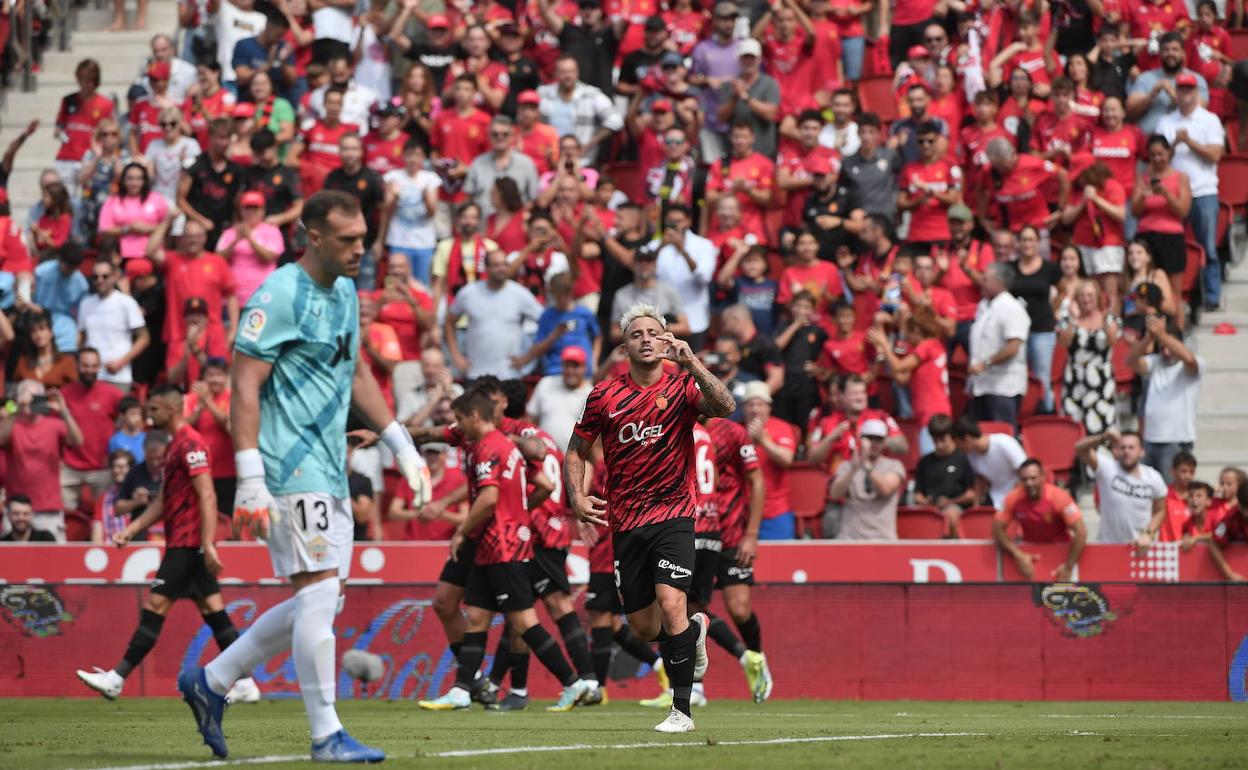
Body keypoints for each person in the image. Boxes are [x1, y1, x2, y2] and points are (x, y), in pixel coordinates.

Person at [177, 191, 431, 762]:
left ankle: (213, 680)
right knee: (317, 592)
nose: (360, 249)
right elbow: (244, 386)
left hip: (331, 466)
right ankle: (326, 735)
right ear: (313, 237)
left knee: (325, 598)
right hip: (287, 466)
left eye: (363, 238)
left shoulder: (344, 292)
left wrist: (401, 443)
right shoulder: (278, 296)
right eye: (348, 240)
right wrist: (249, 477)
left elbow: (357, 371)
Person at [565, 303, 735, 732]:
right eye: (636, 333)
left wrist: (692, 362)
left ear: (665, 341)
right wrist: (577, 496)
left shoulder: (682, 387)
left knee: (672, 602)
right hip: (626, 522)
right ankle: (693, 633)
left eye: (653, 332)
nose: (645, 339)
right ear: (624, 346)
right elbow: (576, 450)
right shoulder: (603, 395)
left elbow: (726, 405)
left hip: (675, 513)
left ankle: (682, 711)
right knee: (643, 627)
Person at [74, 385, 259, 704]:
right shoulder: (175, 446)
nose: (149, 415)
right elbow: (165, 499)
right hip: (185, 543)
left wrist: (208, 543)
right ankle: (244, 682)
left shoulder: (191, 444)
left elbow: (207, 494)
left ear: (172, 410)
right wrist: (133, 528)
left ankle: (116, 678)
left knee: (156, 606)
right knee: (214, 612)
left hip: (189, 544)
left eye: (154, 409)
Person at [417, 390, 594, 713]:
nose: (458, 426)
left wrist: (462, 530)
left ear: (475, 416)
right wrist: (520, 514)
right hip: (495, 544)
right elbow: (544, 484)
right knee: (477, 618)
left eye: (460, 419)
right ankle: (461, 690)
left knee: (524, 621)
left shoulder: (487, 448)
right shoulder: (508, 446)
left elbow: (488, 498)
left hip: (503, 546)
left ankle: (573, 682)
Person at [1156, 72, 1225, 311]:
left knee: (1208, 247)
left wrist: (1189, 142)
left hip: (1204, 191)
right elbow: (1158, 158)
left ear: (1196, 93)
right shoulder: (1166, 121)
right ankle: (1175, 296)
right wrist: (1176, 144)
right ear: (1176, 92)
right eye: (1181, 89)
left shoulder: (1210, 120)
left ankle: (1212, 297)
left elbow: (1215, 155)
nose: (1185, 94)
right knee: (1172, 247)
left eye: (1189, 89)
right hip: (1174, 193)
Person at [0, 380, 84, 541]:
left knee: (53, 554)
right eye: (26, 396)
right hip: (16, 508)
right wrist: (17, 408)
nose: (30, 402)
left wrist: (64, 411)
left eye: (34, 397)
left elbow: (78, 441)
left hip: (48, 505)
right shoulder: (12, 424)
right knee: (11, 555)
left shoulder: (55, 425)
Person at [445, 249, 546, 380]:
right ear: (486, 268)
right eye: (497, 265)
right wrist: (456, 357)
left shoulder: (520, 293)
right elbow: (449, 322)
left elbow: (546, 321)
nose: (502, 269)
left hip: (509, 375)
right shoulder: (469, 293)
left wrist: (528, 357)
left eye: (504, 264)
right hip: (476, 374)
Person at [1127, 313, 1203, 483]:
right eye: (1162, 347)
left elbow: (1190, 360)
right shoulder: (1155, 362)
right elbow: (1131, 361)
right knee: (1148, 491)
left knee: (1171, 491)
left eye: (1169, 346)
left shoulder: (1192, 364)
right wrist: (1148, 338)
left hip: (1175, 440)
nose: (1166, 352)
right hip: (1150, 439)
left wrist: (1162, 335)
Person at [1130, 134, 1191, 330]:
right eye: (1153, 155)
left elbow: (1183, 211)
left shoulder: (1180, 177)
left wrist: (1166, 194)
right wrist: (1143, 196)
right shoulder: (1142, 178)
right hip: (1146, 236)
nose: (1157, 159)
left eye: (1161, 154)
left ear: (1168, 154)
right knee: (1143, 285)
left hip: (1171, 237)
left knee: (1175, 289)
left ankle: (1178, 332)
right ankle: (1144, 329)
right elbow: (1134, 212)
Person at [994, 459, 1087, 581]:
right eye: (1025, 479)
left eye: (1033, 478)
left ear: (1043, 477)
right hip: (1030, 555)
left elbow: (1081, 531)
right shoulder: (1013, 497)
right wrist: (1017, 554)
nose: (1029, 483)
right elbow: (997, 529)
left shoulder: (1059, 497)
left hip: (1060, 552)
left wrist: (1069, 566)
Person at [1074, 429, 1167, 546]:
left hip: (1139, 547)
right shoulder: (1107, 467)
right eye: (1123, 447)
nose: (1126, 451)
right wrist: (1103, 437)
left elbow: (1160, 511)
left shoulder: (1153, 477)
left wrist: (1148, 533)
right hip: (1109, 546)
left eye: (1131, 447)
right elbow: (1079, 448)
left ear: (1142, 452)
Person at [59, 348, 124, 515]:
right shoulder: (65, 393)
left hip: (101, 466)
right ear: (77, 366)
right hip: (70, 466)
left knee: (105, 515)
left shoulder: (112, 393)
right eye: (85, 366)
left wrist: (115, 451)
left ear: (99, 367)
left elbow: (131, 416)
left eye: (94, 366)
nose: (90, 370)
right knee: (61, 516)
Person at [644, 204, 716, 351]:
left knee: (692, 363)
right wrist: (661, 247)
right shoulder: (654, 246)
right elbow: (643, 273)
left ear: (688, 221)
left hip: (695, 319)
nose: (675, 225)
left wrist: (683, 250)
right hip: (663, 319)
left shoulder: (704, 245)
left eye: (679, 221)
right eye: (671, 221)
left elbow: (703, 278)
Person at [968, 263, 1031, 429]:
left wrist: (985, 364)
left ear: (999, 282)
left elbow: (1013, 346)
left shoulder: (1012, 307)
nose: (981, 282)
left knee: (1003, 432)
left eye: (986, 279)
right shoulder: (984, 305)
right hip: (982, 384)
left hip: (1003, 386)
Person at [1010, 225, 1062, 413]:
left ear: (1038, 243)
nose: (1027, 244)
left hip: (1042, 329)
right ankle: (1022, 414)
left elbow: (1063, 289)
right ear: (1018, 243)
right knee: (1017, 375)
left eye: (1031, 239)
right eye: (1024, 239)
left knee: (1042, 377)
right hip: (1017, 331)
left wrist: (1053, 309)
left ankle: (1046, 414)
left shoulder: (1049, 268)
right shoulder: (1010, 268)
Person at [828, 418, 906, 541]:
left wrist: (866, 465)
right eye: (870, 438)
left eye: (878, 439)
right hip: (850, 538)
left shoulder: (894, 465)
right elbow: (835, 494)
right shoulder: (847, 466)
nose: (874, 443)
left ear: (884, 442)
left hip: (883, 538)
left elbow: (886, 489)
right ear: (861, 440)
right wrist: (854, 469)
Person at [536, 56, 623, 164]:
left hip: (582, 161)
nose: (568, 76)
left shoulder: (591, 95)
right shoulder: (543, 94)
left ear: (577, 73)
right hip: (550, 159)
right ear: (555, 74)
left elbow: (616, 121)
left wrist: (588, 145)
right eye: (563, 72)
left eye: (571, 71)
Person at [1059, 280, 1119, 436]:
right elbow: (1063, 343)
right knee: (1073, 429)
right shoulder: (1069, 319)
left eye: (1090, 295)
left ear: (1097, 297)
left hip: (1101, 381)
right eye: (1082, 296)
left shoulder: (1108, 318)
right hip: (1075, 380)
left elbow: (1113, 341)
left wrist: (1105, 323)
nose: (1086, 299)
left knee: (1101, 428)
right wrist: (1073, 320)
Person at [83, 254, 150, 392]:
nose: (100, 280)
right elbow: (82, 337)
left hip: (118, 377)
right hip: (91, 376)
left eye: (105, 276)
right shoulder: (85, 303)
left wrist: (121, 362)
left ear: (114, 277)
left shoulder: (127, 303)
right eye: (95, 277)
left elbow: (144, 338)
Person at [740, 381, 798, 540]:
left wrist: (763, 441)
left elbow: (786, 460)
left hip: (775, 513)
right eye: (750, 404)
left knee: (780, 555)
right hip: (741, 512)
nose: (755, 409)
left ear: (769, 407)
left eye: (760, 404)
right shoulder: (734, 430)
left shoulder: (782, 428)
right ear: (743, 408)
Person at [382, 138, 441, 286]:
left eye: (417, 155)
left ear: (423, 158)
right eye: (409, 154)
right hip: (399, 240)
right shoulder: (392, 177)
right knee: (396, 283)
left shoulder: (431, 178)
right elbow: (387, 210)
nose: (413, 159)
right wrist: (395, 197)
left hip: (424, 242)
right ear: (403, 156)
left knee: (422, 284)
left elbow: (432, 213)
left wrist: (426, 198)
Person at [178, 118, 244, 250]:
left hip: (224, 229)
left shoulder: (235, 169)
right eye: (221, 138)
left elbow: (236, 203)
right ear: (211, 137)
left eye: (227, 138)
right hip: (198, 230)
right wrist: (200, 220)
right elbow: (180, 199)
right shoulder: (195, 164)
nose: (224, 143)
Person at [465, 116, 539, 221]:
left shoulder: (526, 164)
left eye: (505, 134)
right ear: (488, 137)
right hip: (483, 225)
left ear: (512, 136)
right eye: (495, 134)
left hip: (514, 226)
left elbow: (533, 200)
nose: (500, 137)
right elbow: (468, 199)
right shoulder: (477, 163)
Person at [913, 414, 976, 538]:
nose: (939, 445)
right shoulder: (924, 462)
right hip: (930, 509)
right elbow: (917, 495)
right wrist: (925, 502)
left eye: (942, 439)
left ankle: (954, 545)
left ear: (951, 436)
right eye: (935, 440)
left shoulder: (963, 459)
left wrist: (950, 501)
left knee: (950, 513)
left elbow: (971, 495)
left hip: (955, 506)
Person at [217, 192, 283, 307]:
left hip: (263, 296)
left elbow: (268, 257)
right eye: (247, 208)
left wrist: (249, 238)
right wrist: (235, 241)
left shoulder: (272, 231)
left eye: (255, 208)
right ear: (241, 210)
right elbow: (218, 260)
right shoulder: (230, 232)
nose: (251, 212)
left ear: (262, 211)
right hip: (234, 298)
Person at [99, 163, 170, 265]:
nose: (134, 183)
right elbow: (105, 229)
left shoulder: (156, 199)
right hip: (121, 255)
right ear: (123, 180)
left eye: (139, 179)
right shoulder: (112, 200)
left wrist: (148, 229)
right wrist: (127, 229)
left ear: (144, 181)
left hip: (152, 254)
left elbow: (167, 226)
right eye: (130, 178)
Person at [952, 415, 1027, 511]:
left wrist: (1012, 499)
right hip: (995, 498)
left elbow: (1025, 471)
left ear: (967, 439)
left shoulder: (1004, 443)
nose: (959, 449)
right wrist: (976, 506)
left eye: (959, 445)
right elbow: (980, 479)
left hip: (1019, 494)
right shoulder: (971, 455)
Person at [526, 347, 593, 453]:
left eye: (575, 366)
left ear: (584, 368)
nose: (570, 371)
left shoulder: (591, 394)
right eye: (567, 366)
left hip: (573, 458)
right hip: (544, 456)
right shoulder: (546, 383)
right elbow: (531, 419)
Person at [31, 244, 88, 354]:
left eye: (72, 268)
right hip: (38, 317)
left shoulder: (81, 285)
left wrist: (79, 332)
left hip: (64, 324)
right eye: (66, 265)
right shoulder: (41, 272)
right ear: (60, 260)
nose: (68, 270)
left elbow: (80, 314)